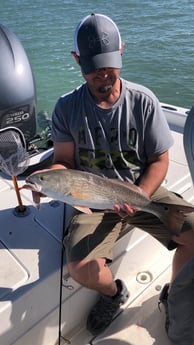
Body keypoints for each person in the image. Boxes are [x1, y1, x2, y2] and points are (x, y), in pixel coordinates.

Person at [34, 13, 194, 336]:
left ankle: (175, 296)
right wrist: (46, 180)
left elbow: (160, 161)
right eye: (93, 69)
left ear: (121, 50)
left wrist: (141, 198)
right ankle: (113, 294)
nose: (103, 76)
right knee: (79, 267)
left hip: (141, 190)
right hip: (92, 198)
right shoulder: (66, 108)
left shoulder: (144, 102)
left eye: (109, 66)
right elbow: (64, 161)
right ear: (77, 60)